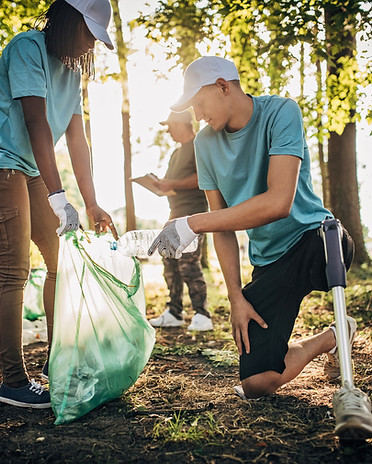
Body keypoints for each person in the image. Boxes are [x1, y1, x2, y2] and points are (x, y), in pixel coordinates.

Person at [149, 56, 372, 437]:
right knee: (257, 383)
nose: (198, 115)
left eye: (200, 104)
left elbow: (278, 202)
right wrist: (236, 295)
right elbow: (223, 227)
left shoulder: (281, 112)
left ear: (223, 86)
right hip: (269, 261)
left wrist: (190, 223)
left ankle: (350, 392)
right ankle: (334, 336)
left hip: (317, 241)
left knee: (312, 238)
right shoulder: (204, 144)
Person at [0, 0, 118, 409]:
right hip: (4, 163)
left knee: (59, 261)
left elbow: (76, 139)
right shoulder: (27, 48)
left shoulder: (72, 69)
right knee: (14, 270)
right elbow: (36, 123)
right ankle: (12, 381)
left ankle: (57, 359)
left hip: (32, 169)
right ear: (70, 21)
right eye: (88, 34)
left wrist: (91, 202)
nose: (89, 46)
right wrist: (57, 196)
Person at [148, 111, 212, 331]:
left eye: (169, 125)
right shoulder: (176, 154)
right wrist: (161, 185)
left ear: (181, 123)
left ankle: (202, 315)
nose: (168, 130)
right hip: (173, 214)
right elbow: (175, 183)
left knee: (188, 264)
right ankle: (174, 312)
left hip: (194, 215)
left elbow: (202, 177)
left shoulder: (198, 145)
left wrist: (171, 183)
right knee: (169, 262)